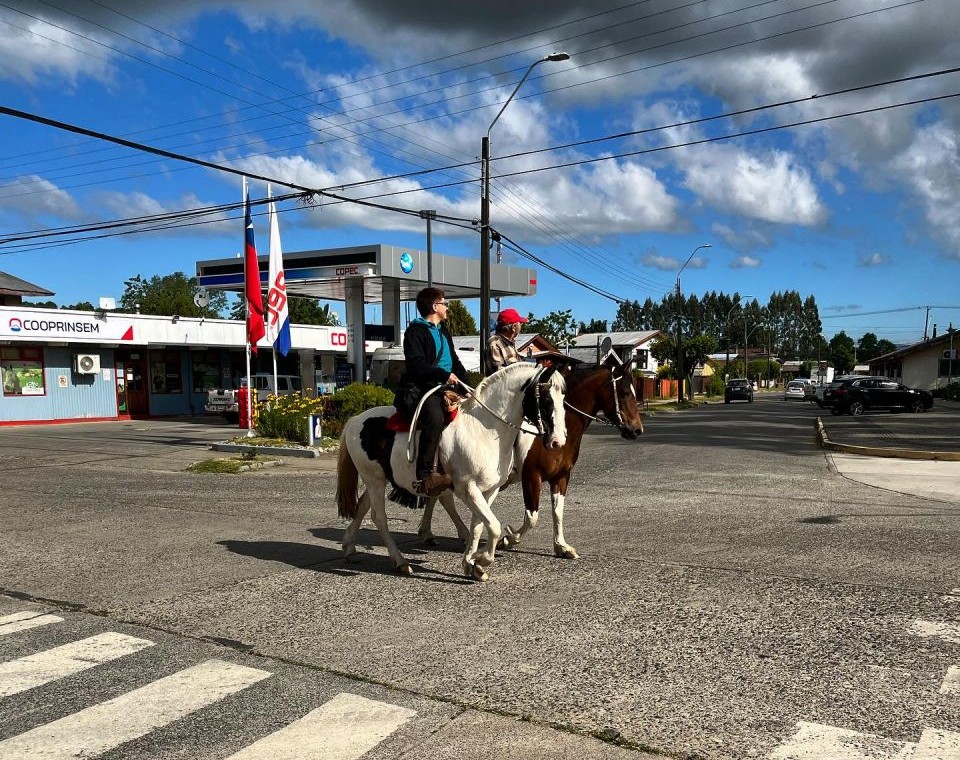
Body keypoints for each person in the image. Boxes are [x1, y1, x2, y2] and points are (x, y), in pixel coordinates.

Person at [399, 287, 468, 497]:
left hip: (448, 386)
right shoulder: (415, 332)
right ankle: (425, 475)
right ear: (435, 306)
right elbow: (416, 365)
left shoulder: (443, 330)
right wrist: (442, 375)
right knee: (435, 418)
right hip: (424, 388)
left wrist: (466, 385)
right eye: (444, 303)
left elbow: (454, 361)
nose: (447, 307)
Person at [485, 307, 528, 375]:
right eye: (520, 324)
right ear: (513, 327)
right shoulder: (494, 343)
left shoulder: (509, 343)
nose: (521, 327)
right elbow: (500, 374)